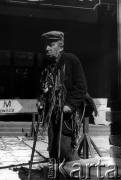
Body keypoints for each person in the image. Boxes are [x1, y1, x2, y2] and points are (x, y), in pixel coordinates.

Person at [37, 31, 87, 166]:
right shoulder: (46, 64)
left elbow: (81, 87)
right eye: (46, 45)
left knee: (65, 148)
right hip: (52, 112)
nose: (47, 48)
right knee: (53, 147)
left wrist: (70, 106)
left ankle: (74, 173)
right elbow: (42, 85)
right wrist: (41, 99)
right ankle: (55, 174)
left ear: (61, 47)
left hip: (67, 114)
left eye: (51, 45)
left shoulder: (71, 60)